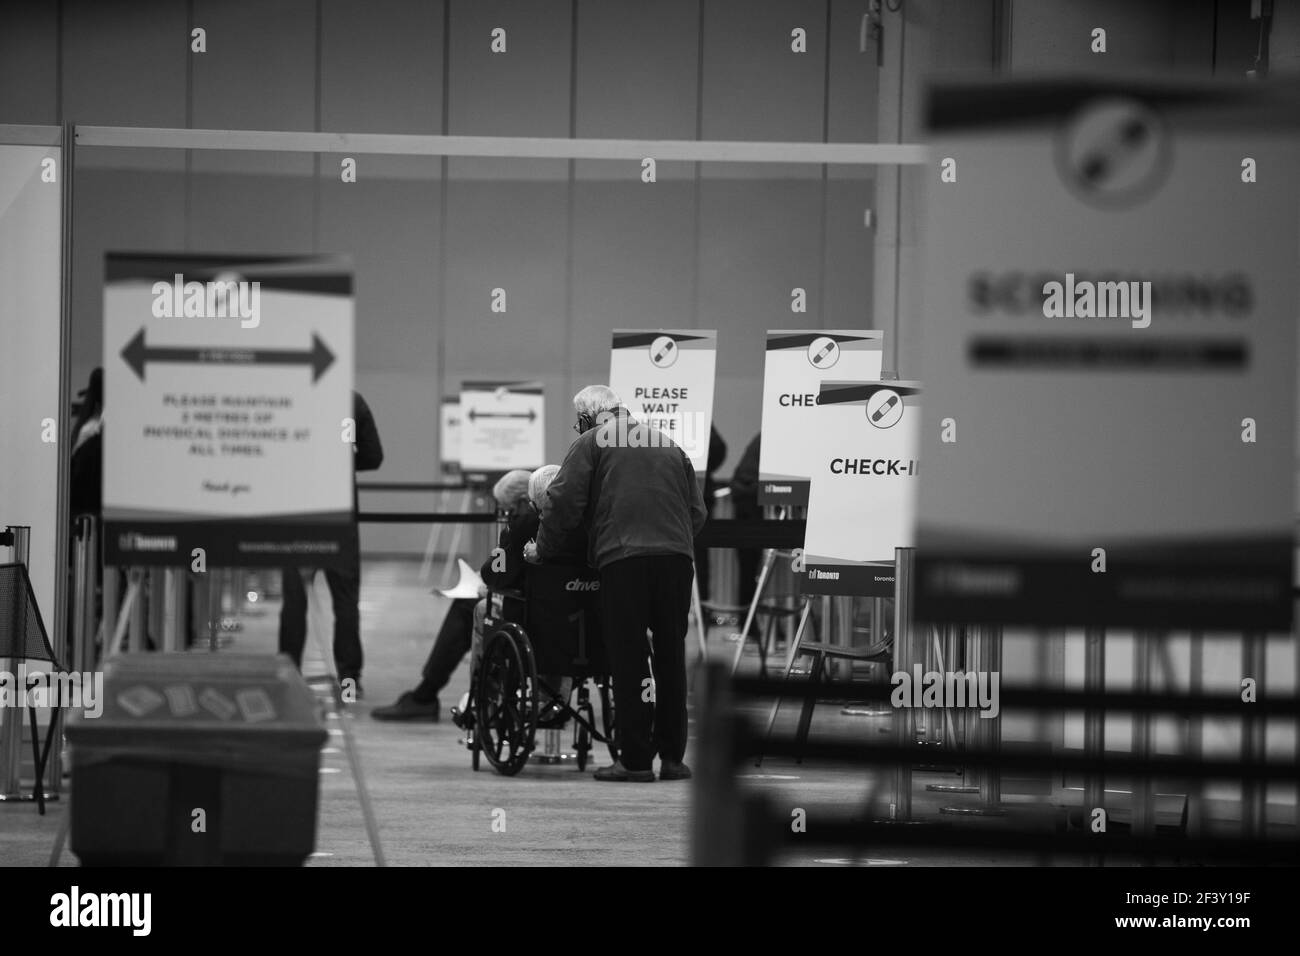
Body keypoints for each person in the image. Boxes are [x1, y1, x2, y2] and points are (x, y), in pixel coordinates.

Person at [535, 385, 706, 783]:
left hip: (624, 560)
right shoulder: (667, 443)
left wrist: (543, 550)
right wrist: (672, 541)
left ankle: (635, 760)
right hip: (677, 562)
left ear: (587, 417)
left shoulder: (592, 441)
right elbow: (697, 513)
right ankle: (674, 759)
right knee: (670, 657)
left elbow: (561, 502)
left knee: (628, 660)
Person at [372, 468, 536, 721]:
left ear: (524, 502)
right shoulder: (567, 524)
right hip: (564, 614)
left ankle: (429, 693)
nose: (506, 517)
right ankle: (427, 693)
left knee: (467, 606)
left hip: (528, 611)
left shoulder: (523, 527)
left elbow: (495, 573)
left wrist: (487, 581)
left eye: (507, 511)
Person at [279, 390, 383, 697]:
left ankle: (287, 675)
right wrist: (344, 460)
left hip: (298, 513)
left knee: (295, 602)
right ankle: (349, 680)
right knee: (346, 601)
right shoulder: (352, 400)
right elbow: (373, 457)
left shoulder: (290, 398)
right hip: (340, 515)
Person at [693, 424, 728, 602]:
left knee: (700, 556)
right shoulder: (697, 413)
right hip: (699, 491)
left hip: (698, 492)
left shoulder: (698, 412)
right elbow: (718, 448)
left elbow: (717, 448)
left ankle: (703, 607)